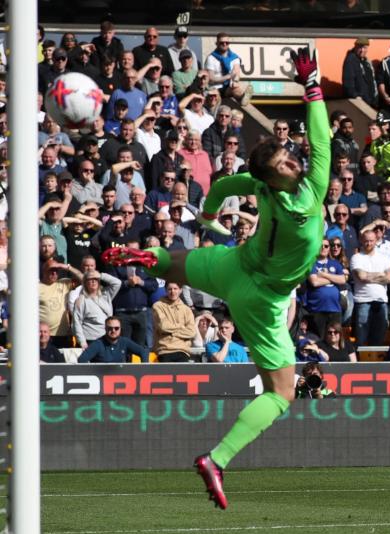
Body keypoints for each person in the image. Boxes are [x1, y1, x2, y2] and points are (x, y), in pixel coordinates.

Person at [101, 48, 330, 510]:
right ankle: (217, 459)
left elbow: (225, 186)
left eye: (289, 156)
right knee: (281, 393)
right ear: (277, 177)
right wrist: (311, 87)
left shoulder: (265, 185)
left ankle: (149, 255)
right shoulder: (308, 195)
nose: (293, 161)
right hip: (260, 298)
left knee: (174, 264)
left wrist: (208, 218)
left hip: (233, 263)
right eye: (286, 162)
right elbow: (322, 140)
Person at [152, 281, 196, 362]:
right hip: (165, 350)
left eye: (175, 289)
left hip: (183, 351)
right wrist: (181, 327)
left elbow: (192, 332)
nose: (173, 292)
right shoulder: (157, 306)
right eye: (170, 289)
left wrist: (172, 332)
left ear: (180, 290)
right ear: (165, 290)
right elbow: (163, 327)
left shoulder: (187, 309)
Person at [77, 316, 150, 363]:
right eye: (110, 328)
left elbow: (143, 351)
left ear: (120, 329)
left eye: (116, 328)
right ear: (105, 329)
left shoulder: (124, 341)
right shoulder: (98, 344)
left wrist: (144, 370)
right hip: (102, 380)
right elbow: (81, 360)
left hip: (120, 379)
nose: (113, 331)